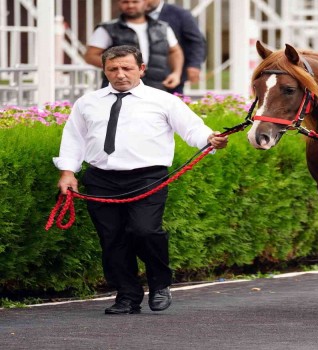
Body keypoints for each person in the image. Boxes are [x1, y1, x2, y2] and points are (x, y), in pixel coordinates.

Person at [54, 45, 229, 315]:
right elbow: (74, 139)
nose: (120, 74)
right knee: (112, 240)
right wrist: (68, 172)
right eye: (113, 69)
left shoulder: (163, 100)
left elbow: (193, 128)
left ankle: (160, 284)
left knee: (144, 231)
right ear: (104, 70)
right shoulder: (88, 103)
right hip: (101, 179)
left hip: (148, 178)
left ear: (141, 69)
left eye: (127, 68)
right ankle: (127, 296)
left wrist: (210, 139)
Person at [84, 0, 183, 92]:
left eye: (135, 1)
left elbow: (175, 51)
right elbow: (90, 56)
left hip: (157, 85)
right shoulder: (107, 29)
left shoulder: (162, 27)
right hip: (120, 86)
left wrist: (176, 73)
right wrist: (120, 67)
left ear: (145, 2)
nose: (130, 5)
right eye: (125, 2)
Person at [146, 0, 206, 95]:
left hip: (170, 73)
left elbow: (196, 41)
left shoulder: (180, 14)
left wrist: (194, 64)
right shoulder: (131, 16)